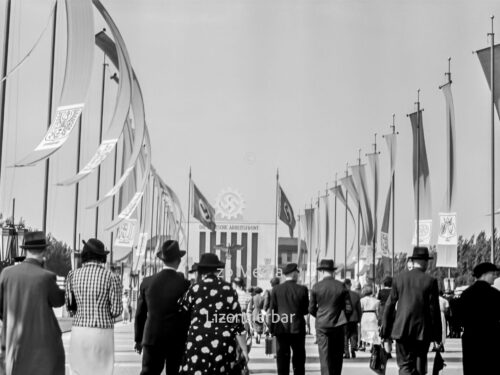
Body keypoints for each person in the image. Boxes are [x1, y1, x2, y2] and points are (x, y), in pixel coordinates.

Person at [0, 231, 65, 375]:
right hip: (42, 349)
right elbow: (58, 301)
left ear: (25, 249)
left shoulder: (6, 273)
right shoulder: (46, 277)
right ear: (44, 251)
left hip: (13, 345)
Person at [179, 253, 249, 374]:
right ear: (218, 270)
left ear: (200, 271)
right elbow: (237, 324)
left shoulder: (194, 289)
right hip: (223, 345)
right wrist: (244, 350)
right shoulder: (228, 289)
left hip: (196, 344)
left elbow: (181, 316)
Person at [66, 238, 123, 375]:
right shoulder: (112, 277)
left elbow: (70, 308)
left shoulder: (72, 275)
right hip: (102, 331)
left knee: (78, 370)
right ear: (102, 256)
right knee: (102, 371)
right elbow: (116, 310)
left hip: (79, 329)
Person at [380, 247, 442, 375]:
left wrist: (385, 333)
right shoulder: (430, 281)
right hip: (422, 333)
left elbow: (389, 306)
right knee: (420, 368)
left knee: (404, 366)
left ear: (413, 261)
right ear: (426, 262)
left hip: (401, 330)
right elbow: (434, 311)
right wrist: (437, 337)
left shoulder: (399, 279)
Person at [134, 240, 190, 375]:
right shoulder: (185, 284)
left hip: (152, 337)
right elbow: (188, 314)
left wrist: (138, 339)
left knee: (148, 372)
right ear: (178, 260)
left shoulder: (147, 282)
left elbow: (140, 314)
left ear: (163, 260)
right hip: (177, 339)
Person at [309, 259, 352, 375]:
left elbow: (311, 308)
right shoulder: (341, 286)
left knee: (324, 356)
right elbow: (349, 308)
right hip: (338, 324)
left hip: (322, 325)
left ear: (322, 271)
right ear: (333, 271)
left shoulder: (316, 287)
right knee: (337, 355)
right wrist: (343, 317)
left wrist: (319, 315)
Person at [456, 262, 500, 375]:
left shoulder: (466, 294)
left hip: (471, 340)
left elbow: (460, 318)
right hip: (491, 339)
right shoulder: (495, 294)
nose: (495, 277)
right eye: (493, 274)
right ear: (484, 274)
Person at [270, 263, 309, 375]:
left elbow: (273, 310)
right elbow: (305, 310)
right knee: (299, 358)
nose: (298, 275)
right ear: (294, 273)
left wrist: (272, 329)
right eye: (297, 272)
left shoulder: (276, 289)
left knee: (282, 357)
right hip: (297, 328)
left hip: (281, 328)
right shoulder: (302, 289)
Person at [343, 279, 360, 359]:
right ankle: (353, 348)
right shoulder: (355, 295)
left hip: (344, 318)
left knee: (345, 335)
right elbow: (359, 308)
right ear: (350, 285)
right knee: (353, 333)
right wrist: (359, 318)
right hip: (354, 317)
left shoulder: (341, 294)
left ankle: (346, 353)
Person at [360, 284, 381, 350]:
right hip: (372, 315)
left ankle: (363, 345)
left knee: (364, 330)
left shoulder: (362, 300)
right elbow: (377, 311)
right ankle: (372, 345)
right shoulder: (376, 301)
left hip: (365, 315)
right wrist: (378, 318)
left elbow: (361, 309)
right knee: (373, 331)